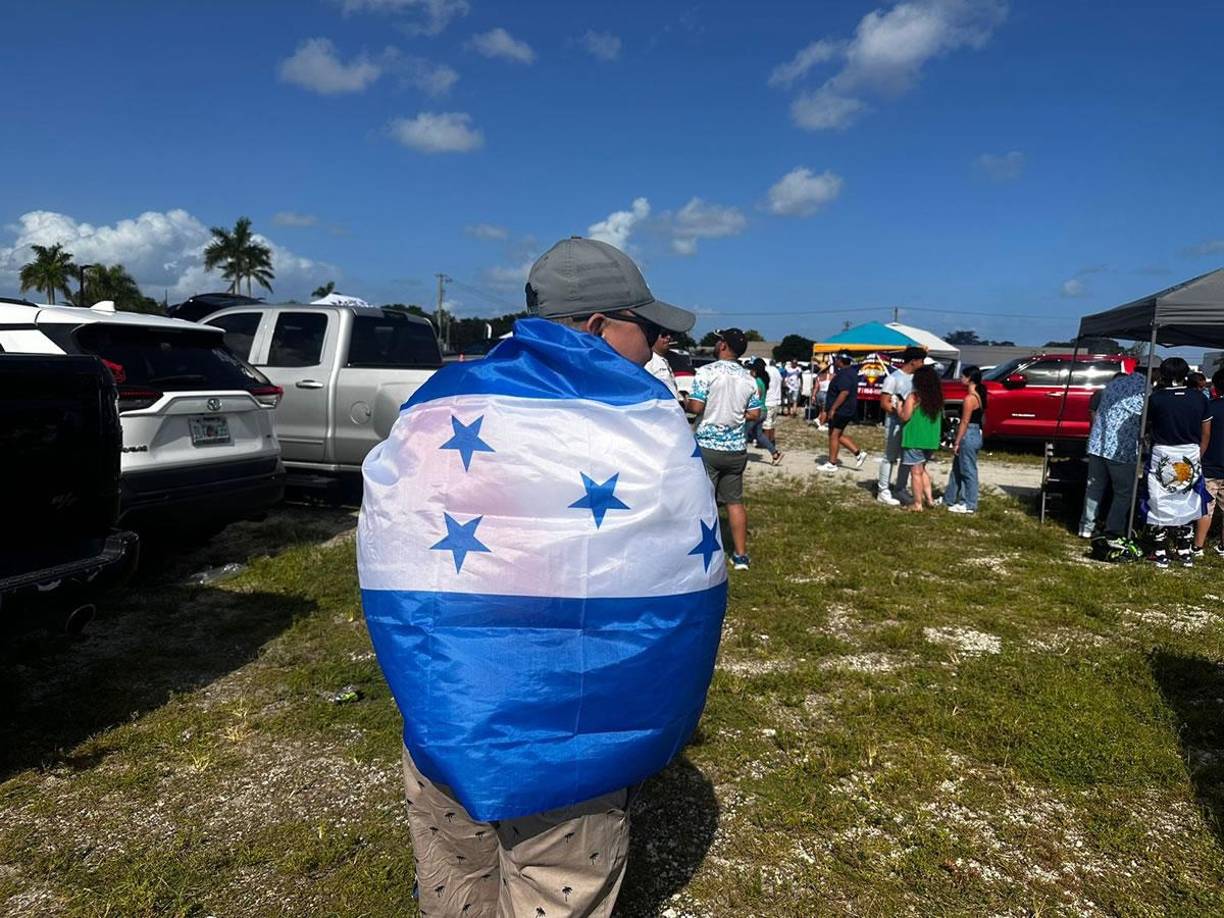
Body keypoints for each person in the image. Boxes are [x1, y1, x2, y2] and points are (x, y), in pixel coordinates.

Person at [359, 236, 722, 918]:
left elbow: (395, 531)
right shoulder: (641, 422)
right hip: (572, 748)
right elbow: (673, 570)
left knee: (452, 882)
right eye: (646, 329)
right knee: (559, 888)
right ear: (596, 326)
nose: (656, 347)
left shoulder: (446, 400)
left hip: (447, 719)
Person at [686, 328, 763, 570]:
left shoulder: (706, 372)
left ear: (722, 346)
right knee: (734, 502)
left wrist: (686, 399)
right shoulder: (749, 379)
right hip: (736, 448)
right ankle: (741, 555)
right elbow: (754, 413)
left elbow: (696, 408)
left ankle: (698, 550)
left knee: (701, 500)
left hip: (708, 446)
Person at [1145, 356, 1211, 568]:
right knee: (1187, 498)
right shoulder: (1200, 398)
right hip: (1190, 452)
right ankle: (1184, 549)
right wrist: (1198, 454)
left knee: (1159, 498)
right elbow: (1206, 432)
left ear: (1163, 374)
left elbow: (1147, 426)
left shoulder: (1156, 398)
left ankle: (1160, 550)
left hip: (1163, 451)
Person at [1078, 370, 1147, 541]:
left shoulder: (1114, 384)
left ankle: (1086, 528)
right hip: (1121, 449)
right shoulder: (1145, 389)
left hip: (1098, 443)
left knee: (1094, 488)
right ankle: (1113, 528)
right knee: (1123, 492)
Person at [876, 346, 925, 505]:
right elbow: (884, 403)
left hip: (911, 425)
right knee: (890, 457)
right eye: (921, 360)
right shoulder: (893, 379)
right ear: (913, 361)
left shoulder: (918, 378)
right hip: (895, 424)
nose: (923, 364)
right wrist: (899, 411)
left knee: (907, 459)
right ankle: (883, 490)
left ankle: (900, 488)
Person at [897, 365, 944, 511]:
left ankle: (917, 503)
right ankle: (929, 499)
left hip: (914, 438)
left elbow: (905, 416)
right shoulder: (937, 397)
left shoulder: (914, 396)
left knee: (915, 472)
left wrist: (899, 406)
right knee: (922, 469)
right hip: (930, 440)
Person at [943, 365, 987, 514]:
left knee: (968, 470)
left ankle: (968, 503)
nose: (961, 378)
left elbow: (964, 421)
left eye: (963, 376)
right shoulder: (979, 396)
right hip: (974, 433)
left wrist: (957, 441)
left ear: (969, 379)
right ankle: (948, 498)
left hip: (969, 433)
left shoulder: (970, 398)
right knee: (957, 469)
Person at [817, 352, 868, 472]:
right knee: (837, 434)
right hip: (845, 409)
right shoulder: (851, 372)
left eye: (837, 359)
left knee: (834, 435)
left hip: (842, 409)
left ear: (841, 360)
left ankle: (832, 463)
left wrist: (833, 408)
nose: (835, 361)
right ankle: (858, 453)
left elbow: (844, 392)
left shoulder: (844, 374)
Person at [1195, 367, 1224, 557]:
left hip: (1210, 464)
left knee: (1206, 507)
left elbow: (1203, 434)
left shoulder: (1210, 407)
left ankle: (1198, 546)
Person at [747, 359, 782, 464]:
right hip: (763, 410)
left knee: (743, 433)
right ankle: (775, 453)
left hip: (755, 411)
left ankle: (737, 457)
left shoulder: (756, 382)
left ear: (755, 370)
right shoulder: (763, 381)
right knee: (759, 435)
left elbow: (755, 397)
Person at [644, 326, 679, 398]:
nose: (668, 337)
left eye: (671, 334)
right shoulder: (648, 360)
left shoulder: (664, 360)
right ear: (653, 337)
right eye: (664, 335)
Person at [763, 360, 783, 447]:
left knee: (767, 423)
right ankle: (772, 440)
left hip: (768, 399)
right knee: (772, 423)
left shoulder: (767, 370)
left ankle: (766, 442)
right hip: (776, 399)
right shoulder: (777, 371)